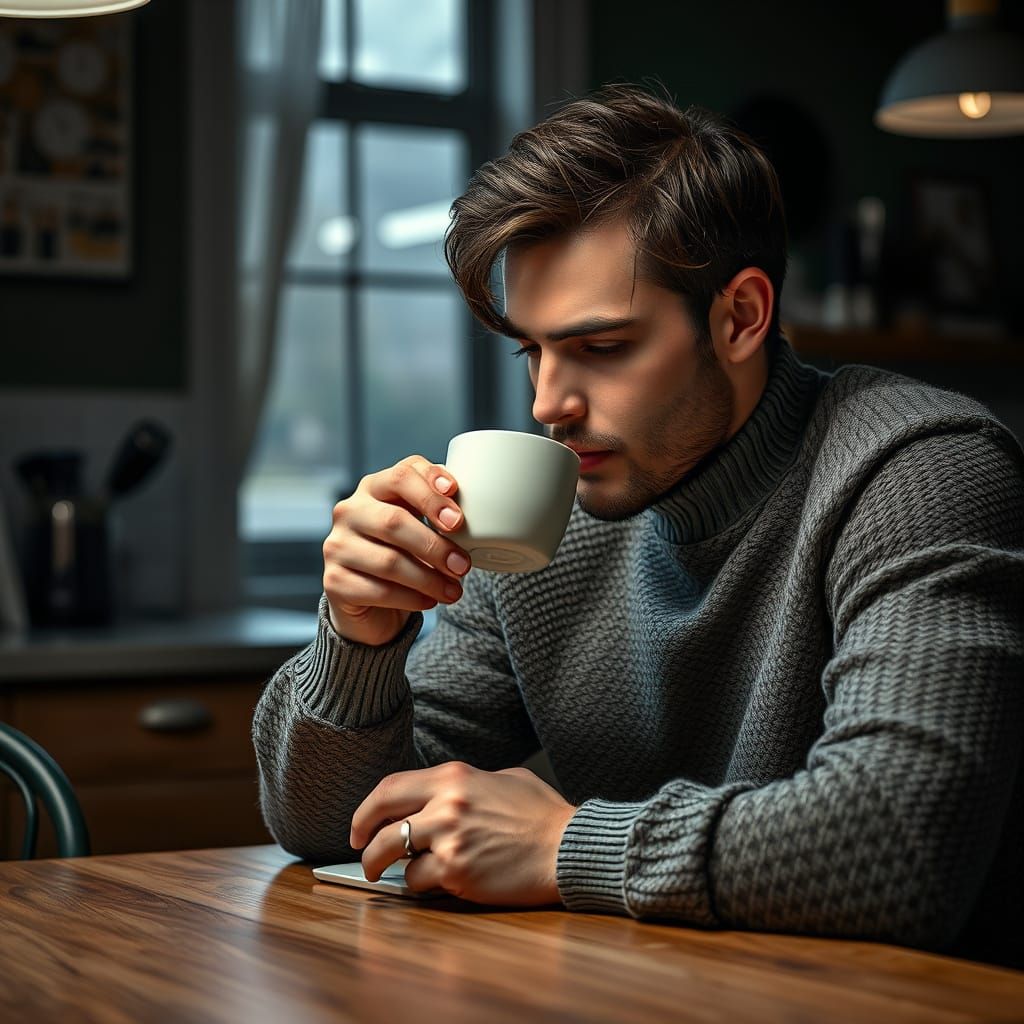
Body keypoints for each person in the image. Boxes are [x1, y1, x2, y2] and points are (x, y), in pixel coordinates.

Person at [253, 84, 1024, 966]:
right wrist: (357, 638)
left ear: (740, 317)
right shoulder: (548, 516)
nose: (549, 404)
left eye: (603, 348)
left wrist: (564, 846)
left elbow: (903, 843)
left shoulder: (921, 468)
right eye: (532, 350)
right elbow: (329, 825)